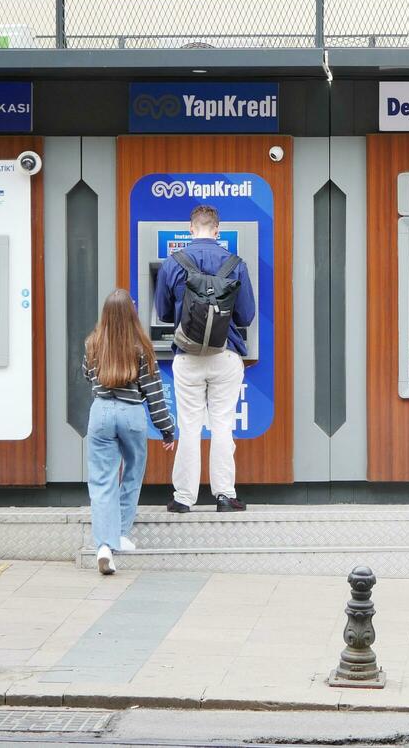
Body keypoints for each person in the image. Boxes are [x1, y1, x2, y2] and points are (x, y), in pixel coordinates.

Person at [153, 203, 256, 514]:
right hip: (225, 354)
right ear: (217, 231)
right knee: (223, 424)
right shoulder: (235, 263)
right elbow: (247, 315)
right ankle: (225, 495)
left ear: (190, 229)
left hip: (187, 355)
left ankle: (184, 498)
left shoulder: (173, 262)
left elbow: (162, 312)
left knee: (189, 426)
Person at [82, 289, 175, 576]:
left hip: (100, 412)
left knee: (101, 481)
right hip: (131, 412)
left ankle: (104, 547)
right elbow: (154, 393)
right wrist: (167, 429)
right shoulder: (141, 347)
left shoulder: (93, 344)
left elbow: (87, 374)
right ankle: (121, 533)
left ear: (106, 314)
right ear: (132, 315)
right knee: (132, 471)